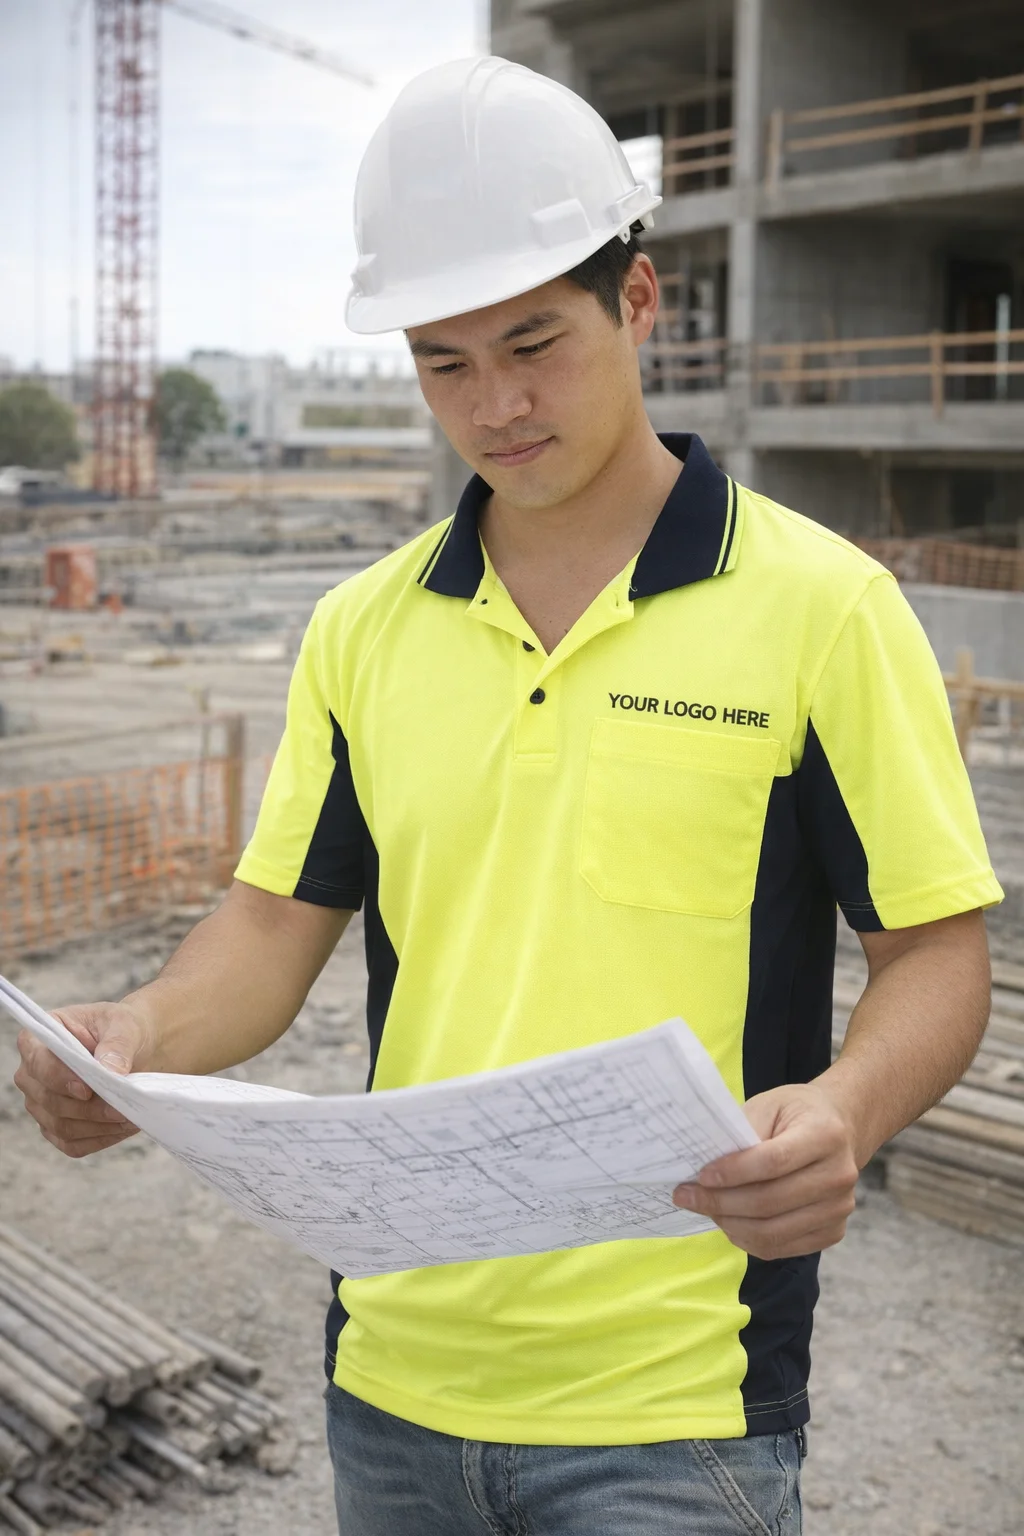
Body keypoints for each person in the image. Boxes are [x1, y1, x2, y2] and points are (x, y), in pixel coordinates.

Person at [15, 57, 1001, 1536]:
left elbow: (939, 953)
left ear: (642, 302)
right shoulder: (364, 627)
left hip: (675, 1411)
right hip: (396, 1384)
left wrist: (848, 1112)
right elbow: (276, 923)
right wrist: (139, 1038)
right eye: (445, 362)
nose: (498, 404)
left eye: (534, 341)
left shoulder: (826, 609)